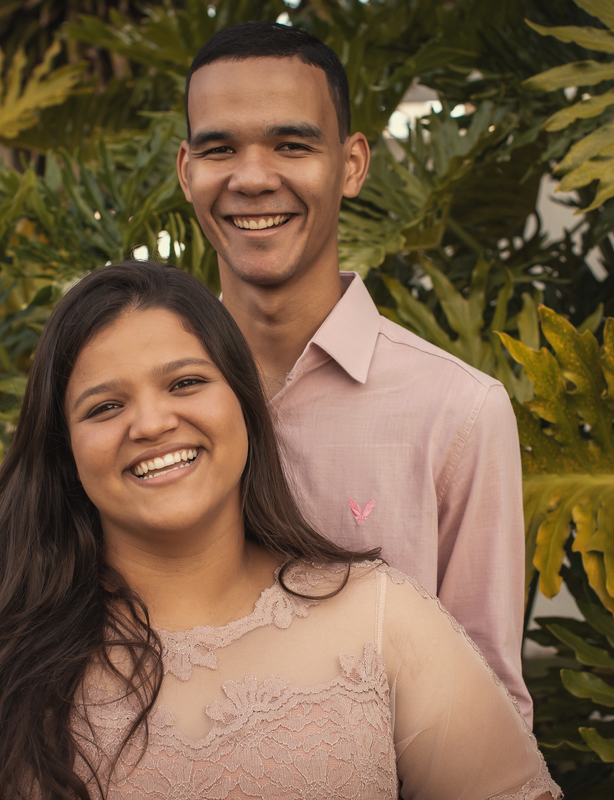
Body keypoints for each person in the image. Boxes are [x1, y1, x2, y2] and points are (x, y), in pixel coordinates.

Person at [0, 262, 559, 800]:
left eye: (184, 384)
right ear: (64, 450)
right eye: (105, 407)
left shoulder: (380, 622)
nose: (151, 423)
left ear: (243, 405)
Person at [176, 22, 533, 726]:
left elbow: (487, 711)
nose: (252, 178)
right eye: (221, 149)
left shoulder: (456, 413)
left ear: (352, 163)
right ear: (188, 170)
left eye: (291, 145)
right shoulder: (144, 408)